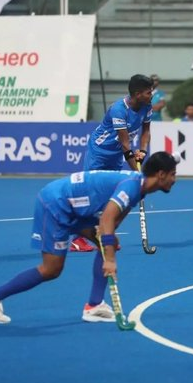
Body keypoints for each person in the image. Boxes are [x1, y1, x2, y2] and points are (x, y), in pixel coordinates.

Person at [0, 152, 178, 325]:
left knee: (107, 243)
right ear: (161, 174)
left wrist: (109, 243)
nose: (174, 179)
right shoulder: (132, 186)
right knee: (51, 269)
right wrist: (109, 260)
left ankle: (94, 305)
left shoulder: (139, 188)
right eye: (172, 174)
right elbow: (108, 217)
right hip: (56, 204)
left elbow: (111, 225)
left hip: (75, 209)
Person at [73, 74, 154, 252]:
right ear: (137, 94)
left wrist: (143, 150)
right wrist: (137, 174)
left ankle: (102, 234)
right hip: (99, 153)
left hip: (116, 154)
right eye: (149, 92)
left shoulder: (147, 106)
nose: (152, 95)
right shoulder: (119, 109)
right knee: (91, 194)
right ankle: (77, 239)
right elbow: (125, 144)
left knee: (111, 196)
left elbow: (146, 131)